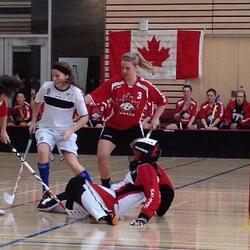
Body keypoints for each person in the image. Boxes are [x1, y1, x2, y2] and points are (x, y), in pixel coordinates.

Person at [37, 137, 175, 226]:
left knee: (77, 182)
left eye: (137, 153)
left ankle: (102, 215)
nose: (134, 156)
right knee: (50, 202)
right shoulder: (156, 169)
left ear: (144, 154)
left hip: (113, 201)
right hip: (109, 199)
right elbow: (168, 191)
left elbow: (154, 194)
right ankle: (91, 210)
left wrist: (143, 217)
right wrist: (161, 211)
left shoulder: (146, 168)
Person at [84, 52, 167, 188]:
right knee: (102, 156)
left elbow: (162, 101)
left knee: (143, 158)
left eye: (127, 68)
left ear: (136, 68)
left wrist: (156, 118)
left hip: (133, 127)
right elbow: (93, 97)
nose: (124, 71)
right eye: (122, 67)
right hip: (113, 126)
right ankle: (107, 187)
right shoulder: (114, 83)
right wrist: (78, 101)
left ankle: (143, 186)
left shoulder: (145, 86)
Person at [29, 62, 90, 196]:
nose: (54, 78)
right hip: (46, 128)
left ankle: (93, 190)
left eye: (57, 75)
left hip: (65, 131)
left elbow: (85, 117)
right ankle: (46, 191)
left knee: (72, 162)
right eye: (53, 75)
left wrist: (71, 130)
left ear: (67, 76)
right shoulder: (46, 87)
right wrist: (34, 121)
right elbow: (37, 102)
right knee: (42, 150)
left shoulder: (75, 93)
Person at [0, 75, 20, 215]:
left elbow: (3, 112)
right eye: (7, 96)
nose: (8, 99)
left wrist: (3, 130)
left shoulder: (2, 102)